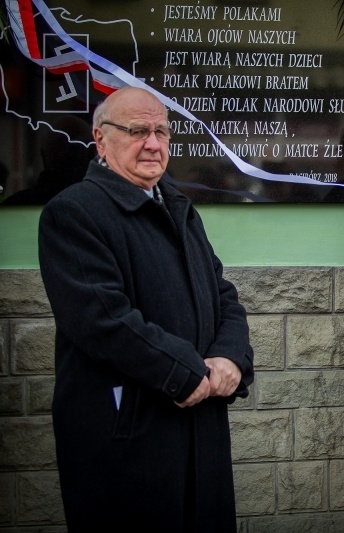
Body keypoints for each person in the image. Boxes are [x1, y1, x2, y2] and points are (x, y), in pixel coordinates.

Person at [38, 87, 254, 532]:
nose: (153, 144)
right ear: (101, 140)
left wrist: (231, 357)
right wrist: (187, 372)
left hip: (200, 427)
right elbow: (104, 320)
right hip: (128, 434)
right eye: (138, 131)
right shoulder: (73, 212)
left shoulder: (178, 208)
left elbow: (223, 295)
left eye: (161, 132)